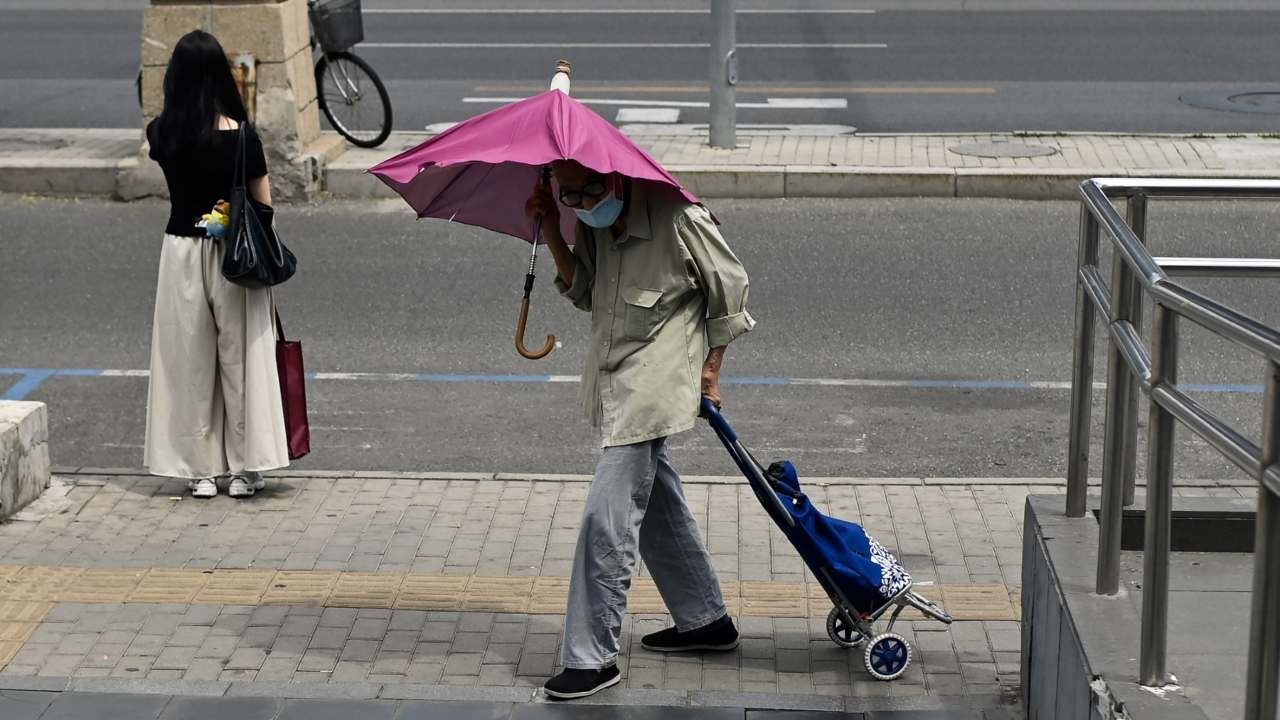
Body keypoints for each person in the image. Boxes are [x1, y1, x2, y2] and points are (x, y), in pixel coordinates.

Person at [525, 160, 755, 699]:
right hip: (616, 379)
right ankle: (705, 620)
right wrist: (554, 230)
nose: (581, 203)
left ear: (616, 178)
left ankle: (592, 657)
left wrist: (711, 370)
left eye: (588, 192)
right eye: (569, 195)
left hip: (660, 380)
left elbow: (732, 290)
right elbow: (585, 290)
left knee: (606, 519)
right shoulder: (588, 220)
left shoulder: (679, 215)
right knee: (656, 503)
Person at [143, 30, 288, 499]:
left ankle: (200, 470)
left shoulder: (161, 133)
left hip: (180, 251)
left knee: (189, 361)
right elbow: (265, 205)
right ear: (223, 76)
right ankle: (246, 469)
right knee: (241, 358)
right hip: (234, 254)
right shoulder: (243, 137)